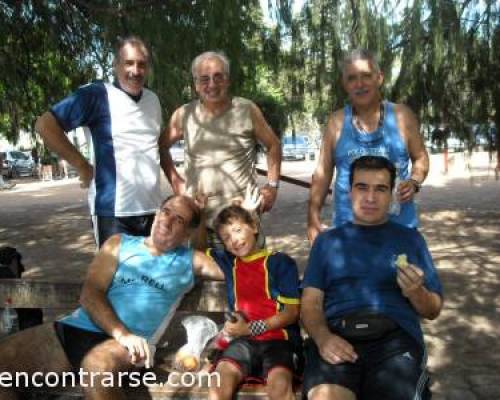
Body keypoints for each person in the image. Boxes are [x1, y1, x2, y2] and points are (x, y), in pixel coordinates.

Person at [0, 195, 224, 400]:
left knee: (96, 369)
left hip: (128, 348)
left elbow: (241, 265)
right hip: (80, 329)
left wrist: (247, 218)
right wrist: (122, 334)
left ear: (187, 234)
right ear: (156, 213)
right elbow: (90, 294)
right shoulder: (120, 243)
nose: (167, 221)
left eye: (179, 220)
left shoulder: (190, 261)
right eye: (165, 211)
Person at [301, 156, 443, 400]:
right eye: (362, 187)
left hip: (396, 342)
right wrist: (323, 338)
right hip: (338, 336)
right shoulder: (327, 242)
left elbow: (433, 309)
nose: (370, 198)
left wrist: (415, 292)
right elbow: (310, 303)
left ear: (391, 195)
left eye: (380, 189)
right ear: (348, 191)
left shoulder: (411, 239)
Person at [35, 36, 164, 247]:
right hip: (113, 214)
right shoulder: (95, 95)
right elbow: (45, 126)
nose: (135, 70)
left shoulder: (153, 100)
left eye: (142, 64)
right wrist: (82, 166)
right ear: (116, 65)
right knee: (117, 278)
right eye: (129, 63)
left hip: (151, 210)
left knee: (150, 277)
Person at [307, 49, 429, 243]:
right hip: (348, 233)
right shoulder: (336, 122)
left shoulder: (401, 116)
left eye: (366, 76)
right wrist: (313, 217)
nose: (360, 84)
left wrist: (414, 182)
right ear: (344, 84)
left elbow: (421, 158)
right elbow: (322, 173)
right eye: (352, 78)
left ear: (379, 78)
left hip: (399, 229)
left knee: (404, 274)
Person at [161, 51, 281, 246]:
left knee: (249, 275)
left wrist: (272, 187)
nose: (212, 85)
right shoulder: (184, 115)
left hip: (242, 218)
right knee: (201, 274)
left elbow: (273, 144)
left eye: (218, 77)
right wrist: (176, 181)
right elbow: (162, 146)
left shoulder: (246, 109)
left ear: (227, 80)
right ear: (196, 85)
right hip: (199, 219)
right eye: (204, 79)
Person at [207, 204, 302, 400]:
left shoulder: (280, 263)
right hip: (242, 343)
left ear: (254, 226)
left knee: (280, 387)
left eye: (238, 230)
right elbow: (197, 247)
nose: (234, 239)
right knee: (219, 385)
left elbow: (291, 312)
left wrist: (251, 328)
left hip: (279, 341)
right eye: (226, 238)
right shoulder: (230, 263)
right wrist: (199, 216)